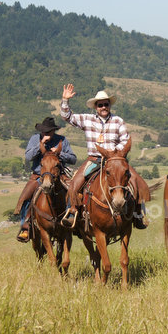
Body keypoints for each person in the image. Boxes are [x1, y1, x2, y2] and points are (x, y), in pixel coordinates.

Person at [59, 85, 146, 229]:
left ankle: (138, 214)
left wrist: (113, 154)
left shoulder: (118, 121)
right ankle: (72, 211)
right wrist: (65, 100)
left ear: (109, 105)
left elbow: (125, 140)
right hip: (94, 159)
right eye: (100, 105)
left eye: (106, 104)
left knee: (137, 181)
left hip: (115, 160)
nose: (103, 107)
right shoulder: (87, 119)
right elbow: (66, 116)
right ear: (96, 107)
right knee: (74, 184)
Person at [14, 117, 77, 242]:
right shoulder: (35, 139)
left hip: (59, 175)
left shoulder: (62, 140)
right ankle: (25, 226)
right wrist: (41, 144)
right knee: (25, 197)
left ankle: (72, 217)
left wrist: (60, 154)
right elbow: (28, 156)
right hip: (38, 175)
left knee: (73, 191)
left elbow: (73, 159)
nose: (45, 133)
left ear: (53, 131)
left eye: (48, 131)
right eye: (43, 131)